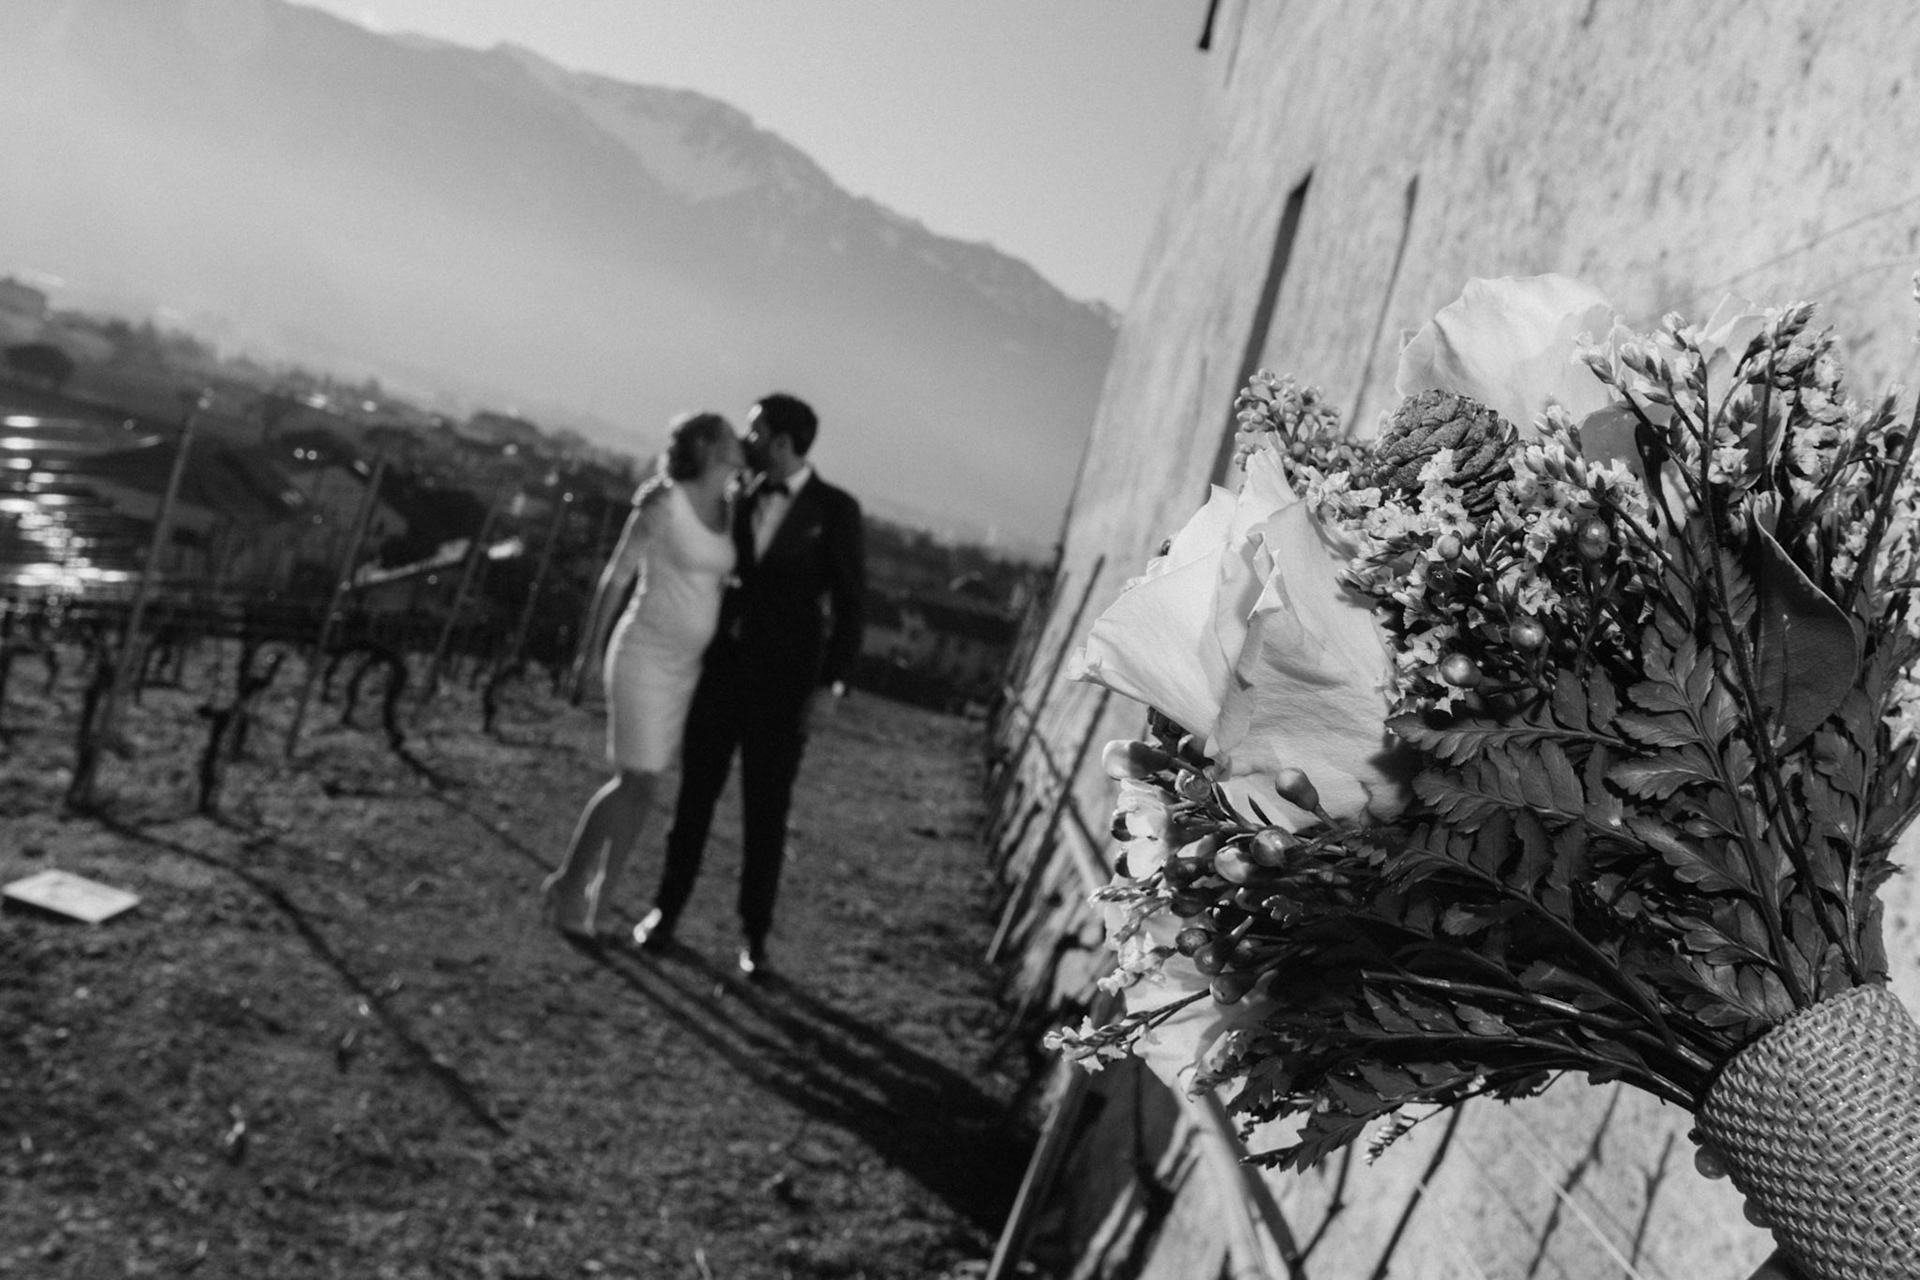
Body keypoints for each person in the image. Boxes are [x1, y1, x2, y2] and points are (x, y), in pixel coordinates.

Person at [631, 392, 865, 978]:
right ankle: (665, 911)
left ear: (783, 443)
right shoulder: (736, 496)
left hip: (785, 691)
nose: (745, 438)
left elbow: (853, 607)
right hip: (722, 674)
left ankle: (754, 938)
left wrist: (830, 686)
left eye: (755, 431)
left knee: (765, 814)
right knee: (693, 800)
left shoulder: (836, 511)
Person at [540, 411, 743, 939]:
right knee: (635, 778)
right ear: (707, 447)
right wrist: (588, 653)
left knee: (646, 787)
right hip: (642, 655)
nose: (741, 442)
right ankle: (568, 884)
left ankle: (601, 900)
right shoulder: (664, 502)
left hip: (685, 670)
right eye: (730, 436)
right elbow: (616, 578)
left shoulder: (731, 508)